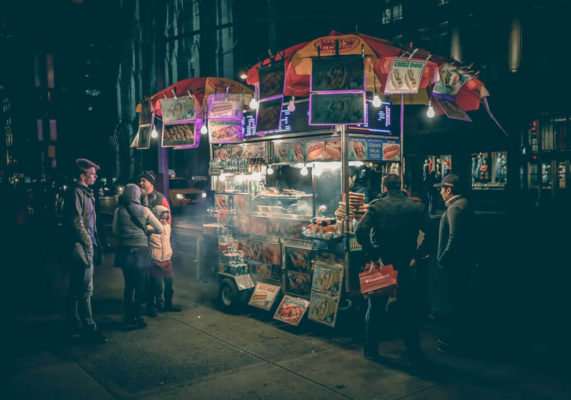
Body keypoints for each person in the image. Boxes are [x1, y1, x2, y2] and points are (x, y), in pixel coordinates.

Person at [355, 174, 432, 366]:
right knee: (407, 309)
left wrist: (372, 253)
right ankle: (413, 351)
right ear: (401, 186)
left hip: (382, 263)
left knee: (375, 309)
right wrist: (419, 253)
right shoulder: (416, 206)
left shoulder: (376, 206)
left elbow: (360, 231)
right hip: (405, 262)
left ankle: (371, 349)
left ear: (384, 187)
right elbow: (432, 231)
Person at [63, 158, 107, 343]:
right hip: (81, 246)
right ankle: (89, 328)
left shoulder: (85, 192)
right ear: (82, 176)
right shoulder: (76, 192)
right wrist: (88, 242)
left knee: (76, 287)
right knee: (85, 289)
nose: (95, 176)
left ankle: (74, 325)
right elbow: (76, 221)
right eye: (92, 174)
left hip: (83, 245)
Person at [434, 173, 475, 354]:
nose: (440, 193)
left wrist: (443, 257)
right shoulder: (464, 204)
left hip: (455, 264)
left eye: (442, 189)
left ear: (449, 190)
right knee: (459, 299)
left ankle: (456, 340)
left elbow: (454, 237)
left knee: (455, 300)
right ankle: (460, 337)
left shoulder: (455, 208)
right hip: (463, 262)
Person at [113, 183, 163, 329]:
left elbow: (115, 231)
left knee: (128, 286)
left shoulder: (118, 210)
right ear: (138, 195)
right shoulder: (144, 210)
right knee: (140, 287)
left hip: (124, 252)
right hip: (141, 252)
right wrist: (148, 229)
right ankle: (136, 316)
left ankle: (127, 316)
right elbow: (160, 228)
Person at [138, 170, 181, 314]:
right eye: (140, 180)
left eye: (143, 180)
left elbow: (167, 222)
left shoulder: (160, 198)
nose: (141, 183)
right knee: (149, 279)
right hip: (146, 244)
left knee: (164, 280)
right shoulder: (139, 198)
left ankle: (163, 303)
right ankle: (150, 304)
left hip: (159, 245)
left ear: (151, 182)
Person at [148, 205, 181, 312]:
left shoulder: (168, 227)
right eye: (161, 218)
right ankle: (158, 303)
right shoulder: (149, 228)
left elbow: (170, 241)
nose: (164, 221)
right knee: (157, 285)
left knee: (169, 285)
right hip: (155, 260)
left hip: (167, 260)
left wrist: (172, 253)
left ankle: (168, 304)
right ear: (155, 217)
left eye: (166, 218)